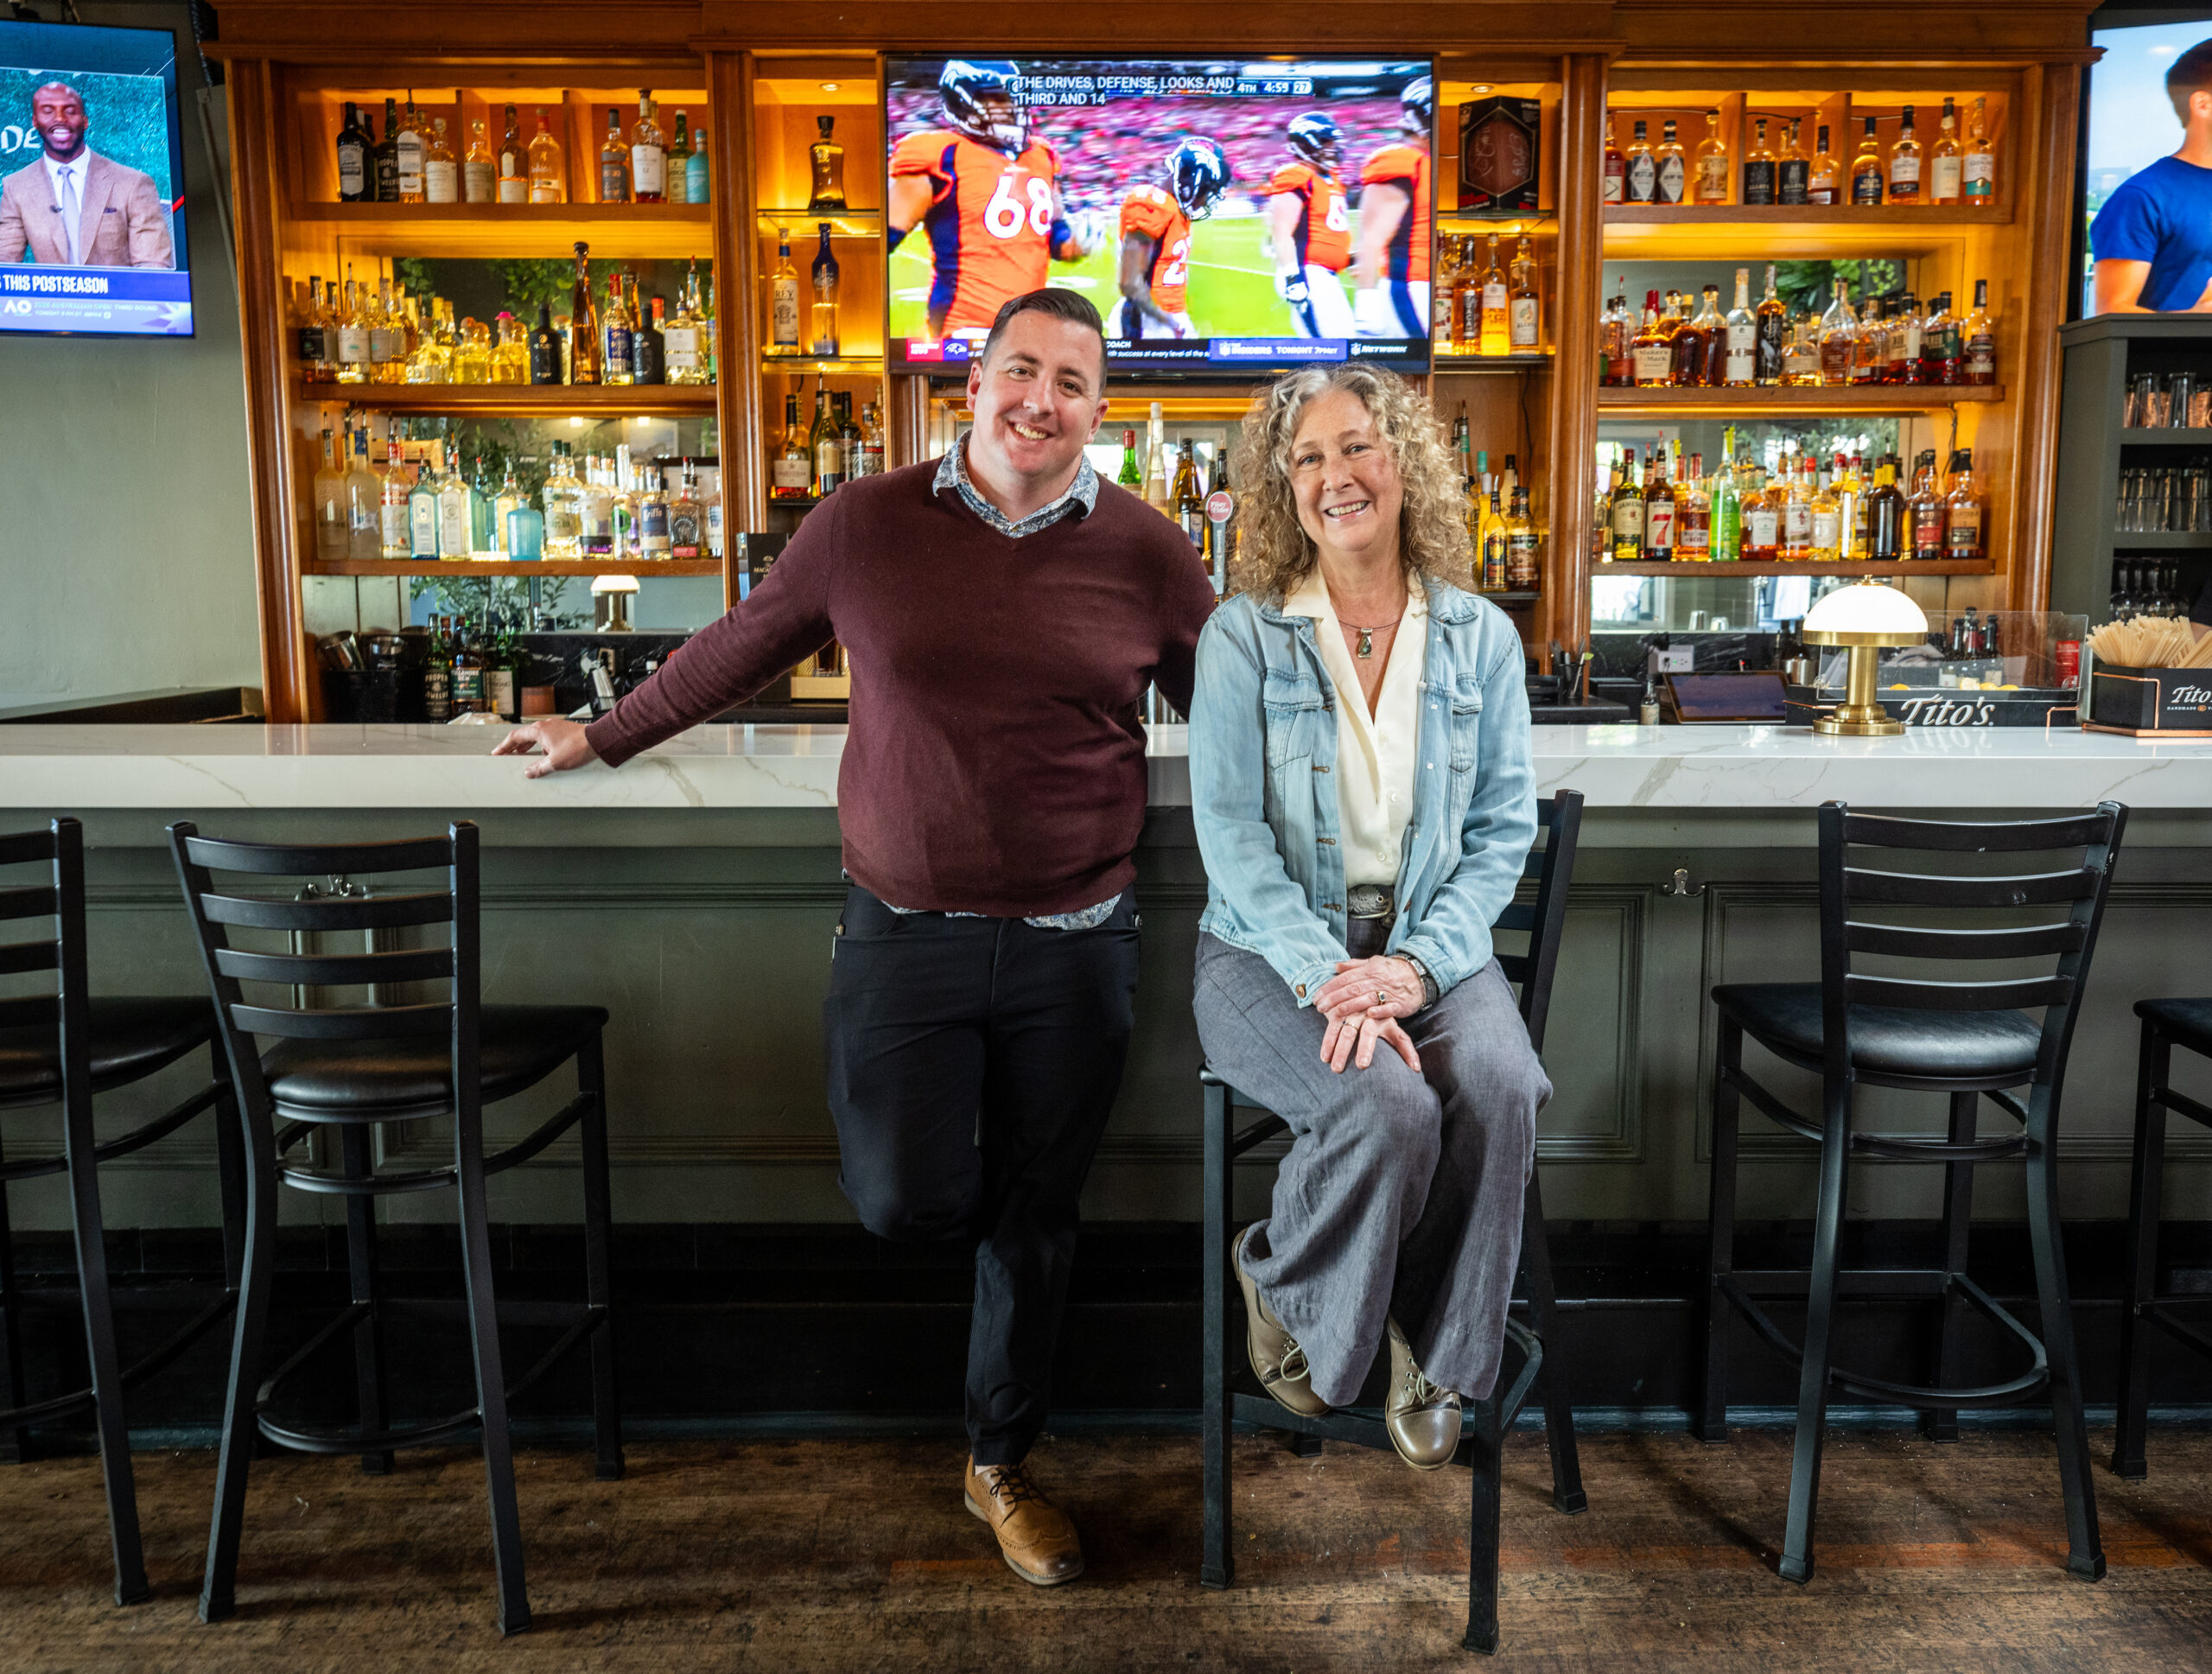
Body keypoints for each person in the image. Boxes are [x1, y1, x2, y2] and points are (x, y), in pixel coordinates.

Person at [495, 290, 1217, 1586]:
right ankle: (1004, 1249)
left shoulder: (1150, 552)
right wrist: (598, 732)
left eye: (1070, 382)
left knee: (1039, 1213)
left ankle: (998, 1461)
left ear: (1101, 412)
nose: (1038, 401)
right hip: (905, 931)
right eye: (1019, 371)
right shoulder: (865, 524)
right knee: (906, 1197)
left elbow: (1238, 713)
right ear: (973, 382)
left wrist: (1372, 752)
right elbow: (742, 646)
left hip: (1079, 938)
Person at [1185, 364, 1547, 1469]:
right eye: (1305, 458)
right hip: (1265, 948)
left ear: (1403, 463)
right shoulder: (1244, 635)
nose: (1332, 475)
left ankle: (1429, 1348)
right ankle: (1280, 1274)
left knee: (1501, 1083)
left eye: (1355, 447)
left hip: (1428, 942)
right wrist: (1328, 974)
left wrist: (1414, 969)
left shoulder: (1480, 635)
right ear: (1279, 488)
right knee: (1386, 1104)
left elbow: (1499, 834)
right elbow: (1232, 837)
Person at [888, 60, 1096, 341]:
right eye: (997, 98)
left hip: (1030, 326)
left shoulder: (1042, 155)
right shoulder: (941, 155)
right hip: (965, 327)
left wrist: (1075, 245)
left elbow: (1055, 237)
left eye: (1013, 96)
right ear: (962, 102)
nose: (1010, 106)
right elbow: (881, 240)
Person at [0, 80, 176, 270]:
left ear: (85, 121)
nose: (60, 119)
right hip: (48, 299)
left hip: (120, 298)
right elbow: (4, 263)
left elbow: (153, 266)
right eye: (48, 111)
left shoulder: (134, 183)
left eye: (70, 111)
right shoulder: (16, 186)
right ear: (35, 121)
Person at [2093, 40, 2212, 313]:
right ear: (2202, 104)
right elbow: (2113, 311)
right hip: (2182, 356)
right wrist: (2195, 321)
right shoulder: (2141, 198)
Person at [1111, 137, 1230, 340]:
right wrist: (1166, 319)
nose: (1204, 202)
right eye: (1206, 192)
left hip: (1168, 317)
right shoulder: (1153, 205)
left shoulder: (1176, 211)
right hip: (1145, 320)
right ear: (1191, 182)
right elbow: (1130, 284)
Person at [1353, 77, 1433, 338]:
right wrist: (1366, 302)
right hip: (1411, 286)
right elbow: (1372, 236)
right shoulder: (1402, 161)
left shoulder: (1426, 162)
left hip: (1430, 286)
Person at [1262, 112, 1354, 339]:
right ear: (1305, 145)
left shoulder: (1331, 179)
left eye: (1333, 142)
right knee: (1327, 348)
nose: (1332, 148)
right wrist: (1293, 278)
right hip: (1306, 273)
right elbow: (1282, 232)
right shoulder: (1296, 175)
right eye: (1325, 142)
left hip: (1324, 275)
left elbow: (1327, 230)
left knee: (1344, 342)